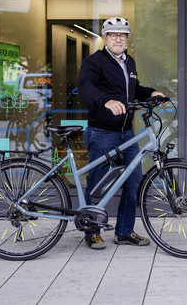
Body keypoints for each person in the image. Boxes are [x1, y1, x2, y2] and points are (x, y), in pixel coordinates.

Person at [77, 17, 165, 250]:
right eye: (113, 35)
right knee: (97, 182)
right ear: (105, 38)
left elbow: (133, 90)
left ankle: (124, 231)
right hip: (102, 131)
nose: (118, 39)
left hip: (127, 133)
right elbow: (85, 86)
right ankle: (92, 231)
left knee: (133, 180)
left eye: (123, 35)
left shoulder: (130, 62)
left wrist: (151, 93)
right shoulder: (94, 62)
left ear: (127, 39)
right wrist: (106, 101)